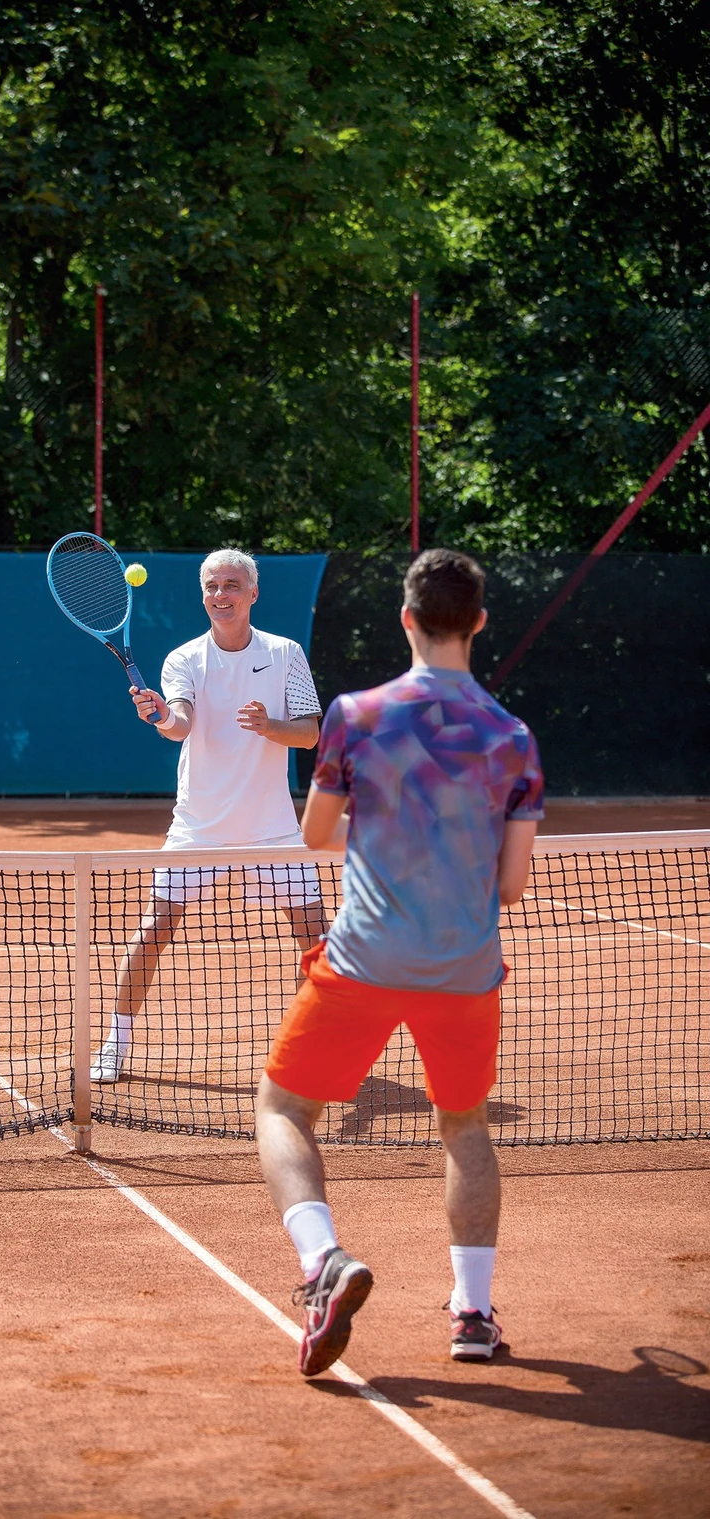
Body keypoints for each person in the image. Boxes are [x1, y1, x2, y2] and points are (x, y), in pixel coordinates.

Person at [255, 548, 544, 1376]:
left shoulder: (355, 714)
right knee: (465, 1126)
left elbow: (315, 834)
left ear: (408, 619)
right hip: (465, 967)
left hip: (364, 959)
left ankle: (323, 1262)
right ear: (479, 622)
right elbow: (513, 885)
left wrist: (389, 839)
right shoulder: (514, 739)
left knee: (281, 1108)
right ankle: (474, 1315)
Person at [90, 548, 325, 1083]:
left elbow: (309, 733)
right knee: (154, 931)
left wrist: (271, 727)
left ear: (252, 594)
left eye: (232, 585)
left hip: (271, 827)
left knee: (316, 938)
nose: (222, 595)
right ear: (203, 595)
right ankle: (116, 1042)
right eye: (212, 586)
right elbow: (181, 723)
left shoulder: (286, 654)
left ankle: (306, 1045)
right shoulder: (184, 660)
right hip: (200, 824)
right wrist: (160, 717)